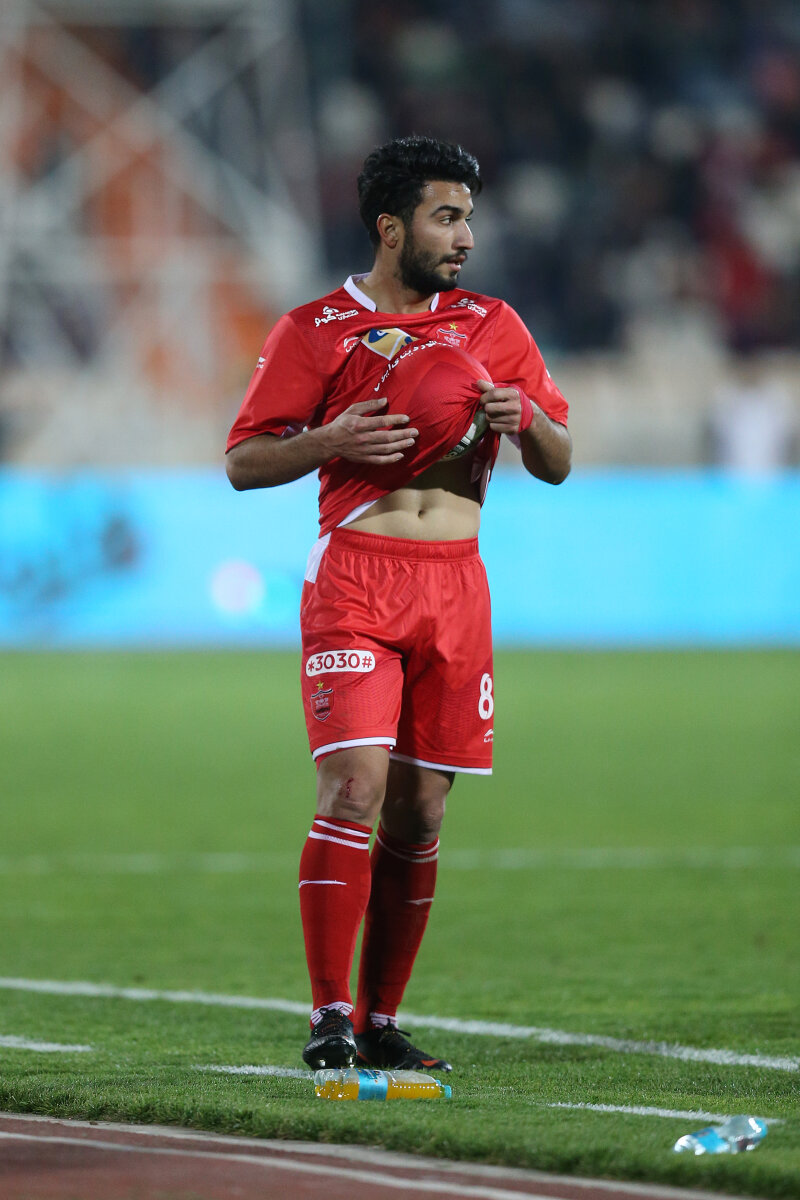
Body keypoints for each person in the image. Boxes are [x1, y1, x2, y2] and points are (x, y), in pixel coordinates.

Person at [226, 135, 571, 1073]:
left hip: (456, 584)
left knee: (419, 813)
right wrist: (329, 439)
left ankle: (381, 1021)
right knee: (354, 788)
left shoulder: (493, 324)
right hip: (357, 579)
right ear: (391, 227)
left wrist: (527, 421)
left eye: (468, 218)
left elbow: (559, 460)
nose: (466, 238)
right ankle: (329, 1015)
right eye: (446, 218)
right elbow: (244, 460)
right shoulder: (313, 330)